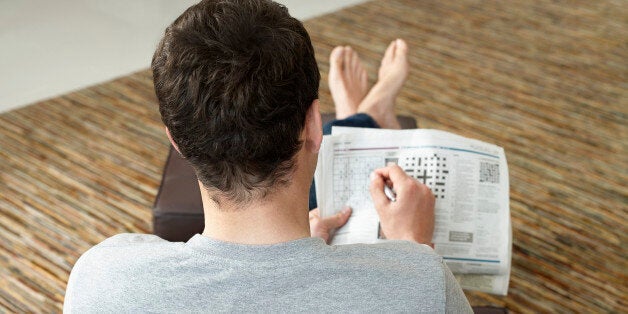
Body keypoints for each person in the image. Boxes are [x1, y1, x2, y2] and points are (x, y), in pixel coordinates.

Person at [64, 0, 472, 312]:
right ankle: (362, 116)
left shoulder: (101, 278)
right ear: (315, 125)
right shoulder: (422, 283)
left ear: (177, 142)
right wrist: (413, 248)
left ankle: (362, 115)